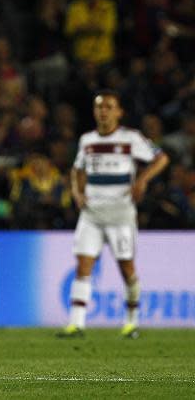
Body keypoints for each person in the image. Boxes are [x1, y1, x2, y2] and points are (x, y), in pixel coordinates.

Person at [58, 90, 169, 339]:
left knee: (127, 268)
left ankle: (131, 321)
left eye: (109, 107)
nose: (103, 111)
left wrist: (142, 180)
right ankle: (76, 324)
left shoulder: (131, 139)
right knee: (83, 265)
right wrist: (77, 192)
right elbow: (77, 170)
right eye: (99, 107)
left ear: (119, 112)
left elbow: (161, 158)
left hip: (121, 214)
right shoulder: (87, 140)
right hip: (92, 214)